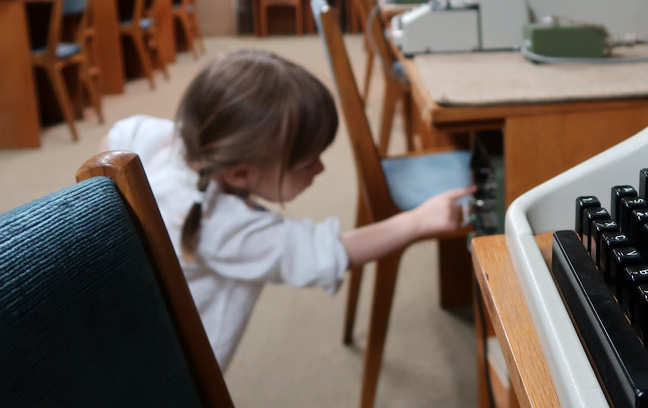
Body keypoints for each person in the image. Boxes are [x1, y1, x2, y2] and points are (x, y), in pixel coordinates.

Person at [100, 49, 474, 369]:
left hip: (120, 326)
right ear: (242, 172)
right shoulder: (224, 228)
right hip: (181, 370)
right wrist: (416, 222)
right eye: (308, 163)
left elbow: (114, 138)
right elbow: (327, 252)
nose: (321, 169)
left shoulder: (165, 138)